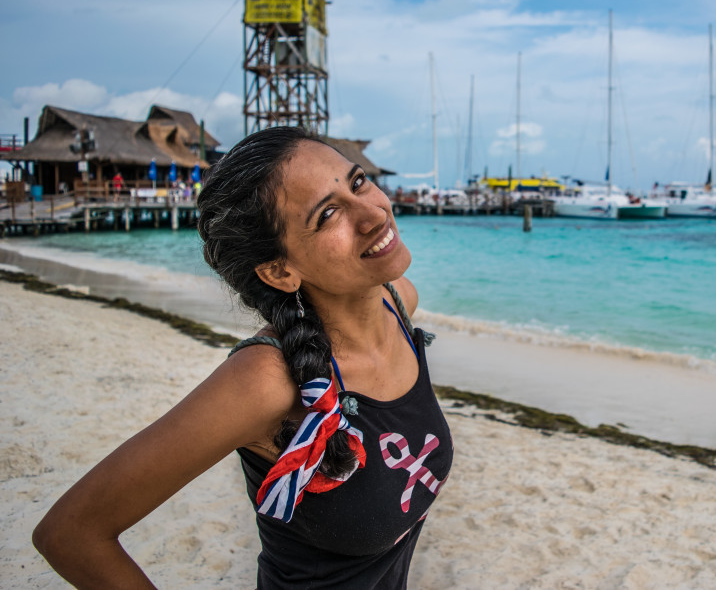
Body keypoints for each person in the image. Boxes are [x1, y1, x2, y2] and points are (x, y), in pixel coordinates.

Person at [32, 126, 454, 589]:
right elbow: (70, 534)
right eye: (328, 214)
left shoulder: (399, 304)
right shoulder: (266, 381)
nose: (373, 214)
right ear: (279, 270)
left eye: (357, 183)